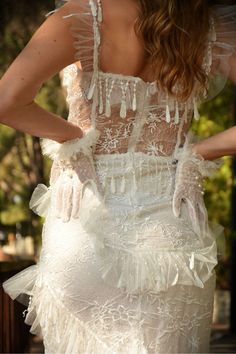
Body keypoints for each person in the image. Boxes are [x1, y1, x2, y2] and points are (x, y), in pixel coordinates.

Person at [1, 0, 236, 352]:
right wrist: (202, 151)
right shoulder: (204, 26)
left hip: (84, 224)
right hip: (172, 238)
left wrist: (73, 137)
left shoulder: (81, 17)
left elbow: (7, 101)